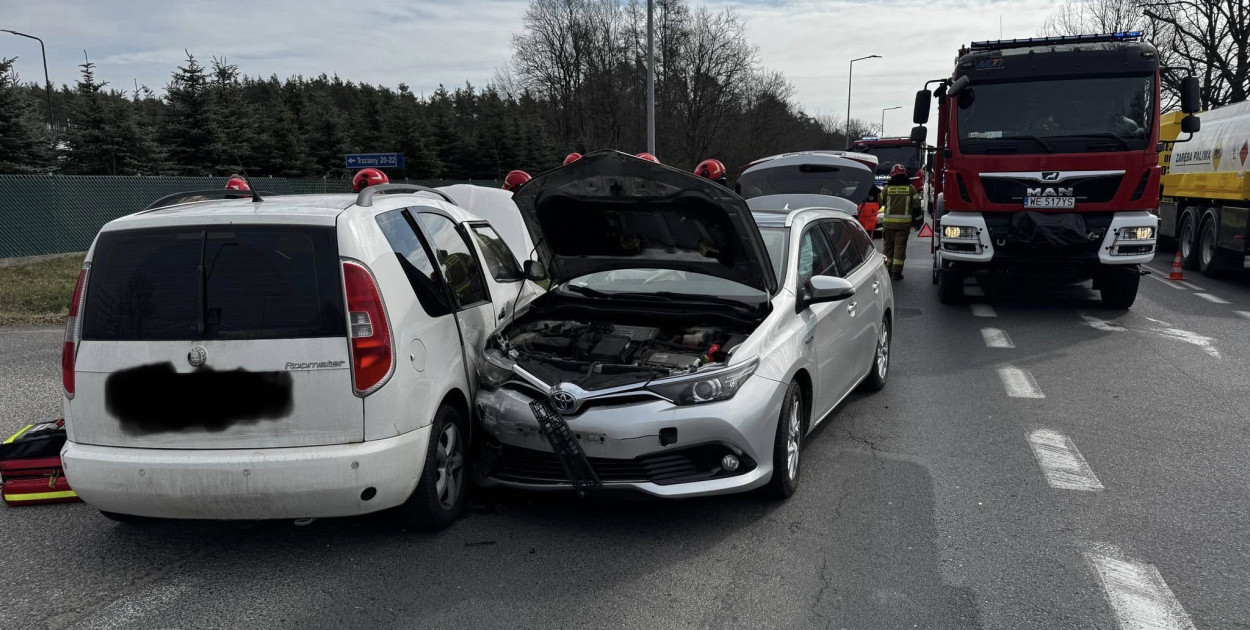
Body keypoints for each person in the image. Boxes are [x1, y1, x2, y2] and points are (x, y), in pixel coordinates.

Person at [880, 163, 922, 280]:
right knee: (900, 248)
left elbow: (881, 201)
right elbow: (917, 207)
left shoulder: (887, 189)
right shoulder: (911, 189)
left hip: (888, 225)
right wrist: (918, 222)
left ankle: (887, 271)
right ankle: (896, 273)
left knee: (888, 247)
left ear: (892, 175)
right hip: (903, 225)